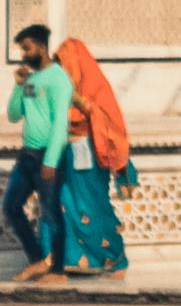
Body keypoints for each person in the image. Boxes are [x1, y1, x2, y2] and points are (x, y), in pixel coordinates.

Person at [52, 36, 132, 276]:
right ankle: (73, 260)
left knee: (94, 209)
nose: (62, 71)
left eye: (64, 66)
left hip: (91, 159)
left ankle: (114, 258)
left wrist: (77, 100)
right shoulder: (58, 90)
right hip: (66, 156)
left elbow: (106, 121)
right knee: (64, 205)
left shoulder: (96, 87)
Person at [1, 25, 71, 280]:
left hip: (47, 157)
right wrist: (19, 85)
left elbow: (60, 124)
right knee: (10, 207)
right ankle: (37, 261)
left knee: (51, 213)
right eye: (22, 49)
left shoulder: (58, 79)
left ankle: (58, 270)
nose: (24, 54)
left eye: (27, 48)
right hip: (26, 156)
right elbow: (14, 114)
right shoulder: (31, 80)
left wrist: (51, 160)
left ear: (41, 47)